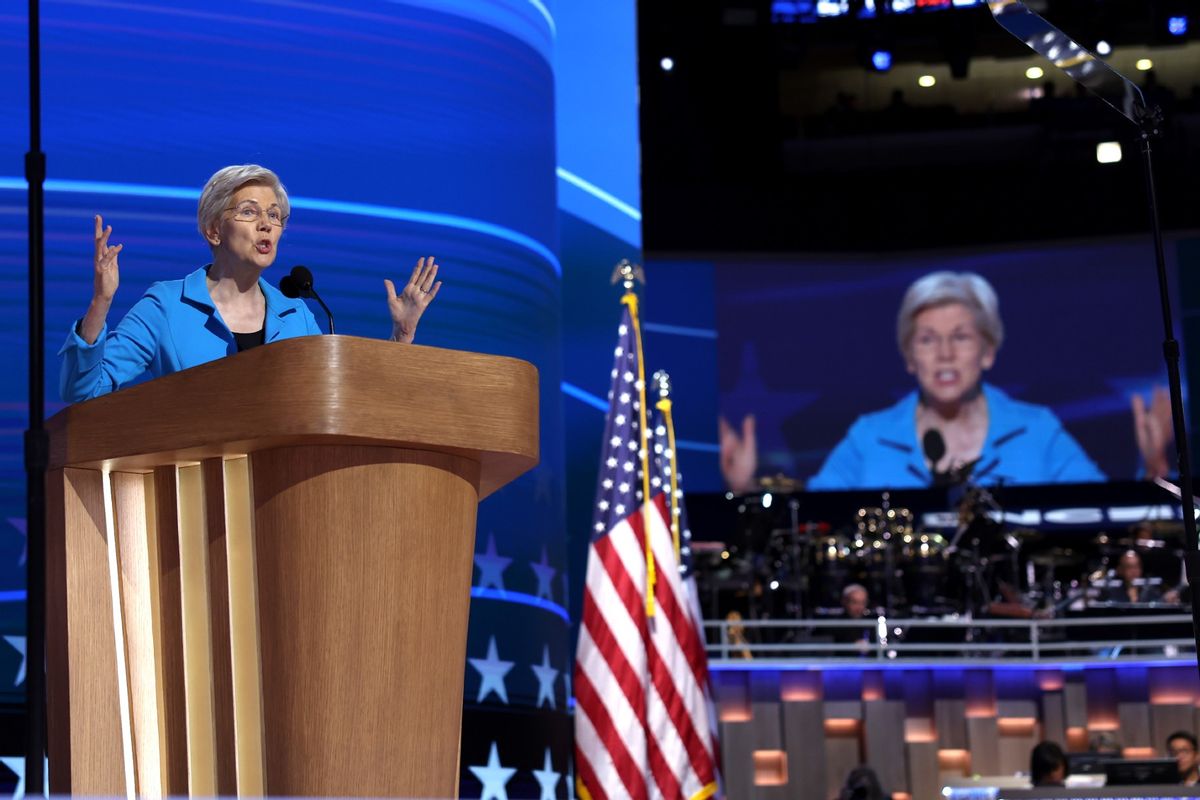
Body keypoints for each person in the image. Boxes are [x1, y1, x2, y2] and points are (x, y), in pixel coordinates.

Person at [60, 164, 441, 402]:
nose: (266, 224)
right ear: (213, 229)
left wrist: (401, 336)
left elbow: (347, 399)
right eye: (249, 212)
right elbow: (82, 392)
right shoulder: (165, 306)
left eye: (275, 216)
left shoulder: (297, 315)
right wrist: (101, 301)